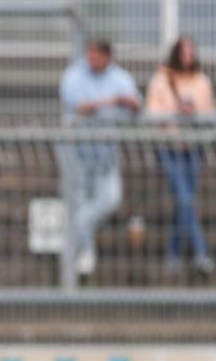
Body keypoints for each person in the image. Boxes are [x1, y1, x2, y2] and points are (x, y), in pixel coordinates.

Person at [59, 40, 141, 276]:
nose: (92, 60)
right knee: (79, 199)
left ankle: (74, 234)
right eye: (89, 55)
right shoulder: (74, 75)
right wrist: (113, 102)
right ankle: (85, 256)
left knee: (110, 200)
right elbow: (79, 107)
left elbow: (136, 104)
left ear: (108, 57)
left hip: (106, 154)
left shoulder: (120, 78)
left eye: (97, 56)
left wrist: (129, 103)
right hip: (77, 153)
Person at [145, 36, 214, 276]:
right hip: (169, 148)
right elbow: (152, 113)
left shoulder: (202, 80)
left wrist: (194, 111)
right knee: (185, 200)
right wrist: (176, 111)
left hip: (193, 148)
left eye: (191, 51)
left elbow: (209, 111)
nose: (188, 56)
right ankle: (202, 253)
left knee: (184, 203)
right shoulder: (161, 79)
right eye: (184, 52)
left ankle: (173, 256)